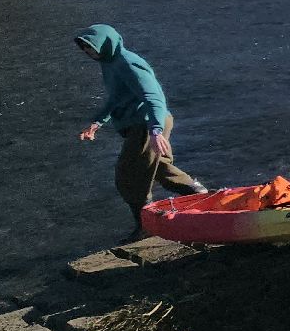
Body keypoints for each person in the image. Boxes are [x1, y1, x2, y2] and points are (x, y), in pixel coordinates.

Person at [74, 24, 206, 240]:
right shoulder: (109, 63)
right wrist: (97, 122)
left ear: (105, 44)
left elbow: (154, 97)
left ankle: (146, 228)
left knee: (129, 175)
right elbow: (117, 97)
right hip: (142, 124)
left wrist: (156, 130)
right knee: (158, 167)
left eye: (91, 48)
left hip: (147, 124)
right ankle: (200, 195)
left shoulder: (127, 62)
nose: (88, 53)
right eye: (86, 49)